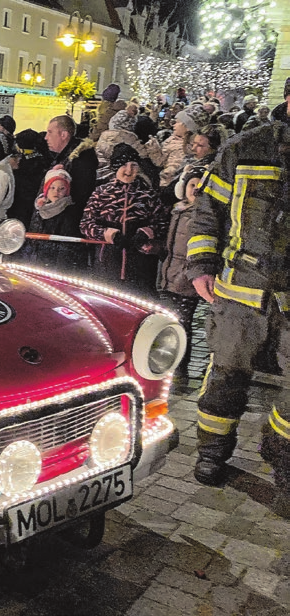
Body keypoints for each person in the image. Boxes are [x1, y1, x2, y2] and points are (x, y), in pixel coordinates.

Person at [184, 78, 290, 514]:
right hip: (239, 291)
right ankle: (212, 452)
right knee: (225, 376)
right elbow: (208, 213)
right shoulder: (245, 148)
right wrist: (201, 267)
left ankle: (282, 461)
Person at [80, 143, 168, 297]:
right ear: (115, 167)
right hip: (107, 262)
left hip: (141, 264)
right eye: (123, 165)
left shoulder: (148, 194)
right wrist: (109, 234)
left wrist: (146, 232)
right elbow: (86, 224)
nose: (129, 170)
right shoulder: (101, 193)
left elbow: (162, 222)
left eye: (133, 165)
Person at [158, 166, 207, 385]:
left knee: (182, 324)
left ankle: (180, 369)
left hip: (186, 277)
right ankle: (168, 364)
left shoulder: (203, 215)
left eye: (198, 185)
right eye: (191, 184)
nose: (194, 189)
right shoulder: (177, 210)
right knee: (169, 321)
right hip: (170, 272)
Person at [19, 168, 82, 272]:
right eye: (52, 188)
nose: (56, 192)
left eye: (61, 188)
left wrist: (60, 269)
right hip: (34, 262)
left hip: (54, 265)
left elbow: (67, 245)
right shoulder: (40, 209)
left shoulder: (70, 212)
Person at [44, 114, 98, 227]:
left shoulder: (81, 159)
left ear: (63, 135)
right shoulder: (65, 157)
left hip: (65, 227)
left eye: (50, 132)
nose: (46, 137)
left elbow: (80, 198)